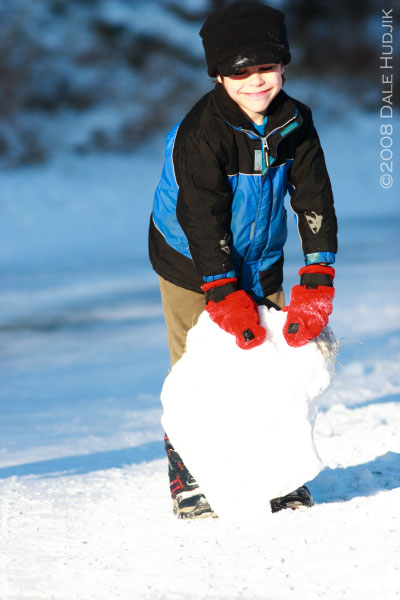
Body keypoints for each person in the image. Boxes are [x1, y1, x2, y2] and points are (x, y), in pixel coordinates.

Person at [149, 1, 338, 519]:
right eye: (240, 70)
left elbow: (314, 198)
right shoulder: (201, 133)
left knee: (273, 362)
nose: (256, 81)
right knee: (200, 367)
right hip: (190, 260)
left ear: (283, 65)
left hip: (262, 255)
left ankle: (278, 471)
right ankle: (189, 474)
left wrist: (318, 276)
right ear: (218, 73)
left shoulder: (296, 122)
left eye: (267, 67)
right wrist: (220, 289)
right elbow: (202, 217)